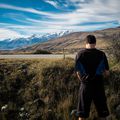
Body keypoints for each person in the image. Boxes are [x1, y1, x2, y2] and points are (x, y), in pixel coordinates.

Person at [75, 35, 110, 120]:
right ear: (95, 43)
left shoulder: (79, 54)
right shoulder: (102, 54)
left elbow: (78, 73)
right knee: (102, 114)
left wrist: (84, 81)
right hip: (98, 86)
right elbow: (107, 73)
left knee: (82, 115)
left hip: (85, 86)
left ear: (86, 43)